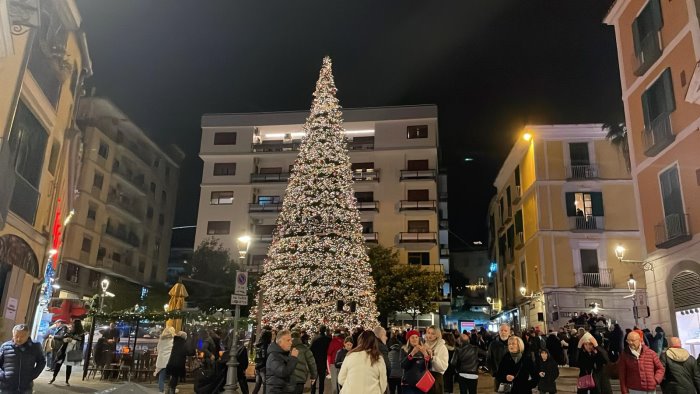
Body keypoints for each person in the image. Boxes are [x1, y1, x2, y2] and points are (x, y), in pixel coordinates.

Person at [0, 324, 46, 393]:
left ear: (28, 336)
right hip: (6, 386)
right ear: (13, 335)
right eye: (16, 336)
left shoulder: (35, 347)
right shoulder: (5, 346)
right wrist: (2, 375)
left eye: (22, 336)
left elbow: (41, 361)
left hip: (25, 387)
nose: (19, 339)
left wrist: (33, 375)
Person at [49, 319, 84, 386]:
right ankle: (53, 378)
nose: (72, 324)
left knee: (69, 366)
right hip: (64, 349)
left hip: (72, 350)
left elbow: (80, 343)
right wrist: (66, 339)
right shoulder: (69, 331)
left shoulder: (81, 334)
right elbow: (63, 338)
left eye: (73, 323)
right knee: (58, 364)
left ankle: (67, 381)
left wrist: (72, 340)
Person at [267, 330, 300, 394]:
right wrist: (293, 358)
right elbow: (283, 372)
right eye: (288, 340)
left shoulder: (283, 354)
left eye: (291, 340)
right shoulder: (274, 356)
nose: (291, 343)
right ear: (280, 342)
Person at [400, 330, 431, 394]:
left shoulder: (424, 350)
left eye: (416, 337)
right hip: (408, 384)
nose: (415, 339)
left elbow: (429, 366)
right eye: (412, 337)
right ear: (409, 339)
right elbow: (403, 365)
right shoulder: (404, 350)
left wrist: (425, 354)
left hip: (422, 383)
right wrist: (412, 353)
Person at [290, 330, 317, 394]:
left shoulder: (287, 348)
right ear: (299, 338)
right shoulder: (305, 349)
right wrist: (313, 376)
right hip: (300, 378)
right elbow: (312, 363)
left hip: (288, 377)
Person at [423, 325, 448, 394]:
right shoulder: (424, 345)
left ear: (437, 335)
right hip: (423, 377)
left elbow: (443, 367)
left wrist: (433, 357)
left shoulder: (442, 347)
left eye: (433, 333)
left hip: (436, 378)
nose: (430, 335)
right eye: (428, 333)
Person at [487, 323, 511, 391]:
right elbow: (489, 359)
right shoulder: (493, 344)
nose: (503, 332)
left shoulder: (514, 343)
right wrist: (493, 372)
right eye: (501, 330)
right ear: (499, 331)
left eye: (505, 330)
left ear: (509, 332)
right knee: (500, 391)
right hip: (498, 375)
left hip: (512, 375)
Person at [310, 326, 331, 394]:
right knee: (322, 380)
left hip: (315, 361)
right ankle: (320, 392)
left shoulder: (314, 338)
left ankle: (312, 392)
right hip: (323, 361)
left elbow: (310, 349)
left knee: (313, 379)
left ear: (319, 330)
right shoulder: (328, 339)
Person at [155, 326, 176, 393]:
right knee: (172, 375)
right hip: (170, 359)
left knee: (162, 376)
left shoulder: (162, 339)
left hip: (162, 360)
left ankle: (161, 391)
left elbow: (158, 348)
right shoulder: (174, 339)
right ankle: (170, 389)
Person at [253, 328, 273, 394]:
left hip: (258, 366)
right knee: (265, 384)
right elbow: (264, 356)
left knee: (258, 384)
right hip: (263, 366)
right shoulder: (265, 345)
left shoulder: (259, 344)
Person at [327, 330, 344, 394]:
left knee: (334, 382)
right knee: (341, 380)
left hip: (333, 363)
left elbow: (329, 352)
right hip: (341, 364)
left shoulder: (333, 342)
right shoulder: (344, 341)